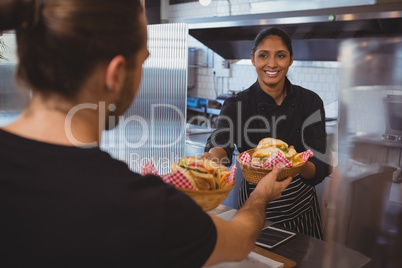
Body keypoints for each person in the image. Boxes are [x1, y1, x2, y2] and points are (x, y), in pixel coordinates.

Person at [0, 1, 292, 267]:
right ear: (114, 74)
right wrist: (262, 193)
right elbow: (240, 240)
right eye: (142, 61)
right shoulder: (137, 206)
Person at [203, 27, 332, 239]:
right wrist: (213, 158)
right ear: (253, 59)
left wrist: (294, 165)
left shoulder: (309, 102)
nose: (272, 64)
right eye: (263, 55)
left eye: (280, 55)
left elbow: (320, 163)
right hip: (254, 207)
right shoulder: (237, 104)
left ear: (290, 59)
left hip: (299, 208)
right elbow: (221, 141)